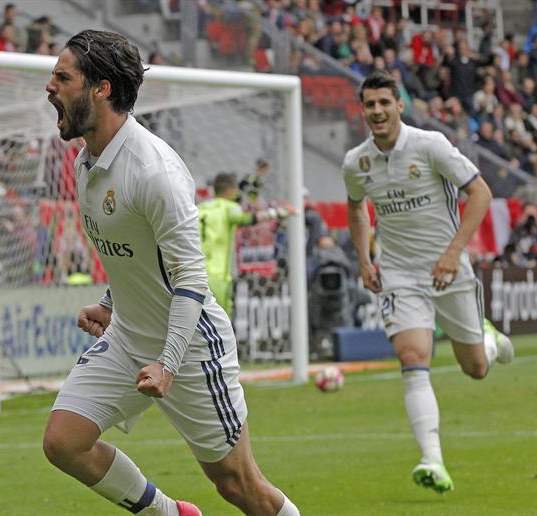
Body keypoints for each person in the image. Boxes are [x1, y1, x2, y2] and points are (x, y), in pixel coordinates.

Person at [42, 30, 300, 516]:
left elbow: (190, 279)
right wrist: (111, 302)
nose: (50, 87)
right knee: (64, 441)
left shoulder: (155, 171)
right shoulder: (87, 161)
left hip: (189, 346)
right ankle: (169, 513)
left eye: (63, 77)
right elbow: (134, 252)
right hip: (127, 338)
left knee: (240, 486)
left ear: (102, 89)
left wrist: (168, 361)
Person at [342, 71, 515, 495]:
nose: (378, 111)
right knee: (413, 355)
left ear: (400, 105)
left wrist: (453, 253)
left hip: (449, 269)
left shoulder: (430, 145)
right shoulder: (356, 162)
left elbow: (481, 194)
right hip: (399, 274)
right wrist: (365, 259)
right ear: (362, 110)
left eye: (385, 102)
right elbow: (356, 207)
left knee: (474, 368)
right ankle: (432, 460)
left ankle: (488, 341)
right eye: (370, 105)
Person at [198, 172, 290, 316]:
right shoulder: (229, 207)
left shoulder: (201, 207)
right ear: (230, 190)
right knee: (221, 324)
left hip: (195, 273)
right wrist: (277, 212)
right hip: (217, 277)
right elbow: (248, 219)